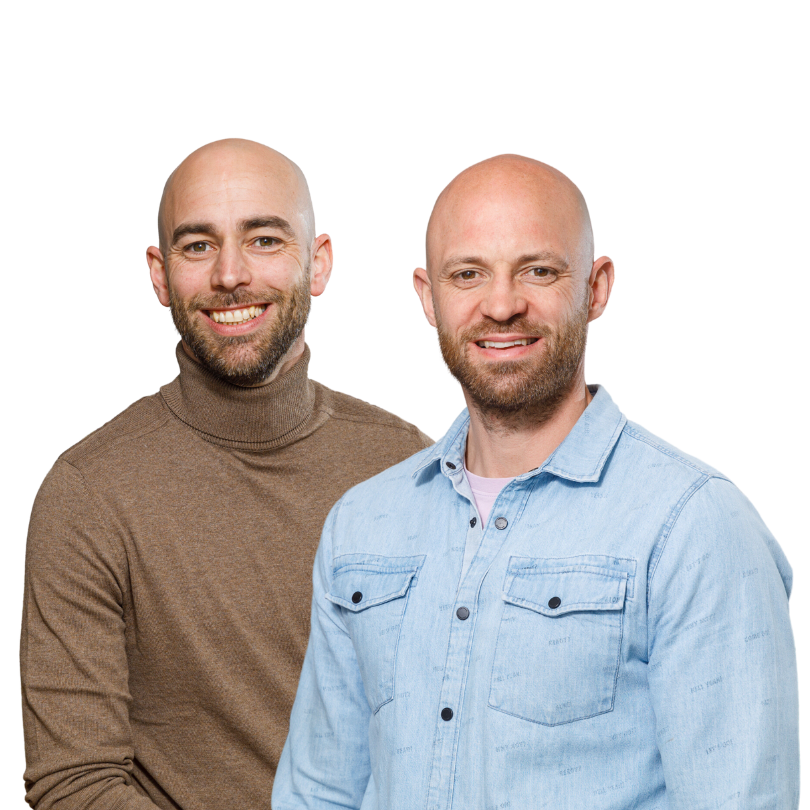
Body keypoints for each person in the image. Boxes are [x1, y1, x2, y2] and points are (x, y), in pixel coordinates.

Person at [271, 153, 799, 809]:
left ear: (597, 288)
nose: (501, 305)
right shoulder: (361, 523)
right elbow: (319, 791)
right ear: (427, 297)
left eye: (539, 271)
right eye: (468, 274)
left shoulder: (695, 524)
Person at [20, 137, 434, 809]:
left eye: (264, 239)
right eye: (197, 246)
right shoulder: (88, 494)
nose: (230, 274)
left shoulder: (411, 465)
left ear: (319, 263)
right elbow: (76, 785)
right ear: (159, 275)